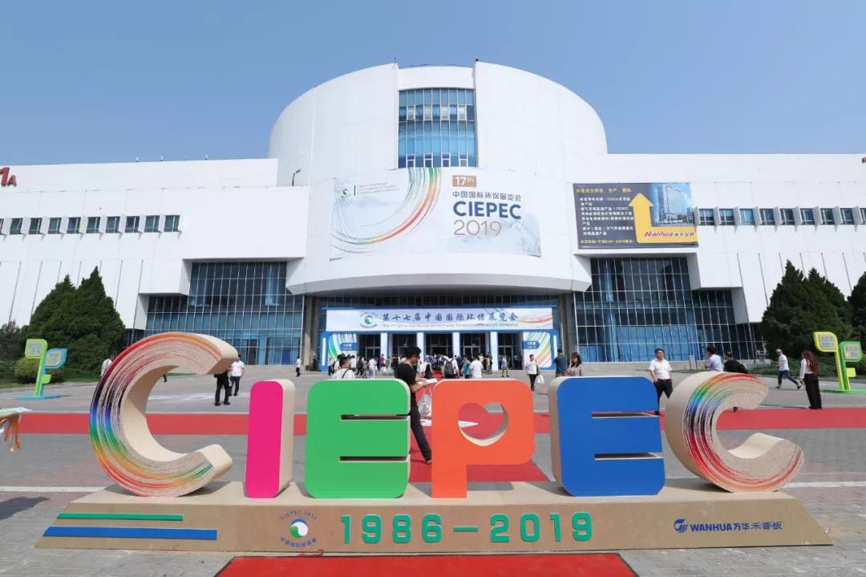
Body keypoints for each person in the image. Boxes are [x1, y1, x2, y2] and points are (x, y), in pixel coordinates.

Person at [394, 346, 432, 464]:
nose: (418, 359)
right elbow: (414, 388)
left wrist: (419, 380)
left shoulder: (400, 366)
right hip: (410, 403)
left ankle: (396, 452)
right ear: (413, 356)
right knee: (418, 430)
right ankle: (428, 456)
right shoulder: (409, 368)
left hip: (400, 401)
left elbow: (408, 381)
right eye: (417, 356)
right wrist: (423, 384)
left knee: (400, 429)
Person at [649, 348, 673, 415]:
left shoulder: (666, 362)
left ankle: (673, 411)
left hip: (667, 382)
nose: (660, 354)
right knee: (656, 397)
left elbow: (669, 371)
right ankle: (656, 411)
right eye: (659, 353)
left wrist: (670, 378)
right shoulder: (653, 362)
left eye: (662, 353)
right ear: (656, 354)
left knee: (671, 397)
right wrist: (654, 378)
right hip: (658, 382)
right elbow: (651, 370)